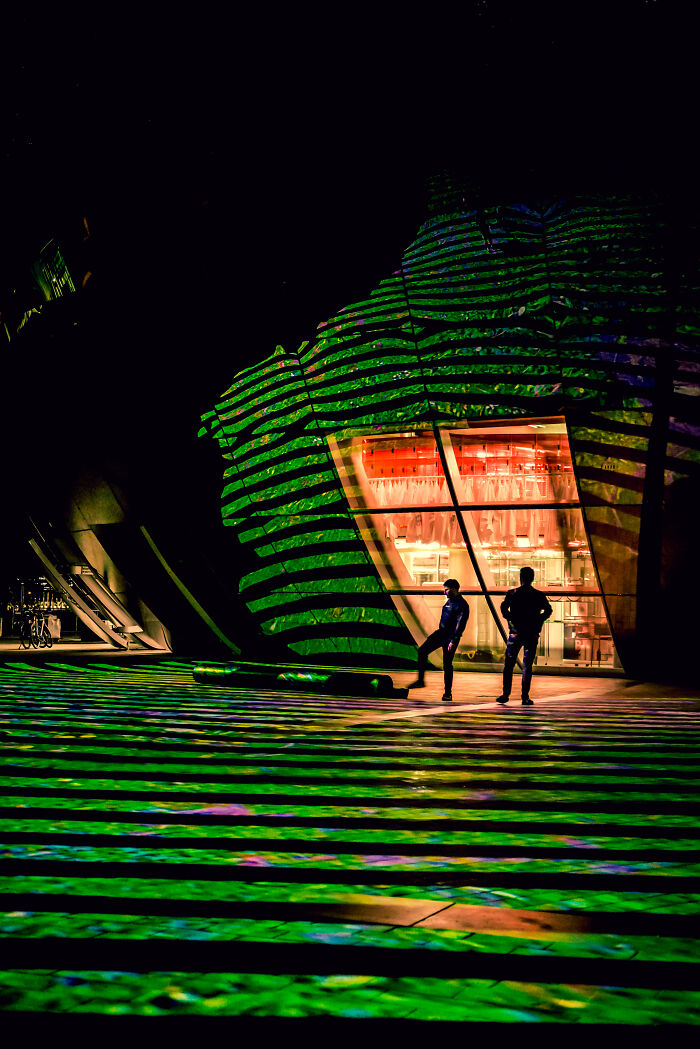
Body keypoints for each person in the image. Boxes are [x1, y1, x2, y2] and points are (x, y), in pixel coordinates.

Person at [497, 566, 552, 706]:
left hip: (515, 633)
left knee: (509, 664)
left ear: (520, 577)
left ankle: (505, 694)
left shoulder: (512, 593)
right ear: (532, 578)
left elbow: (503, 608)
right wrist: (538, 620)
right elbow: (548, 610)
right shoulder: (539, 595)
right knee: (527, 665)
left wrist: (510, 618)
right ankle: (525, 697)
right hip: (532, 633)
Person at [408, 579, 469, 702]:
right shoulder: (449, 602)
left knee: (447, 664)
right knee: (422, 651)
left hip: (451, 637)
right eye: (444, 589)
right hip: (441, 633)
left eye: (447, 589)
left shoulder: (462, 605)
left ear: (454, 589)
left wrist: (453, 640)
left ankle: (448, 693)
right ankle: (420, 681)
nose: (445, 592)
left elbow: (460, 625)